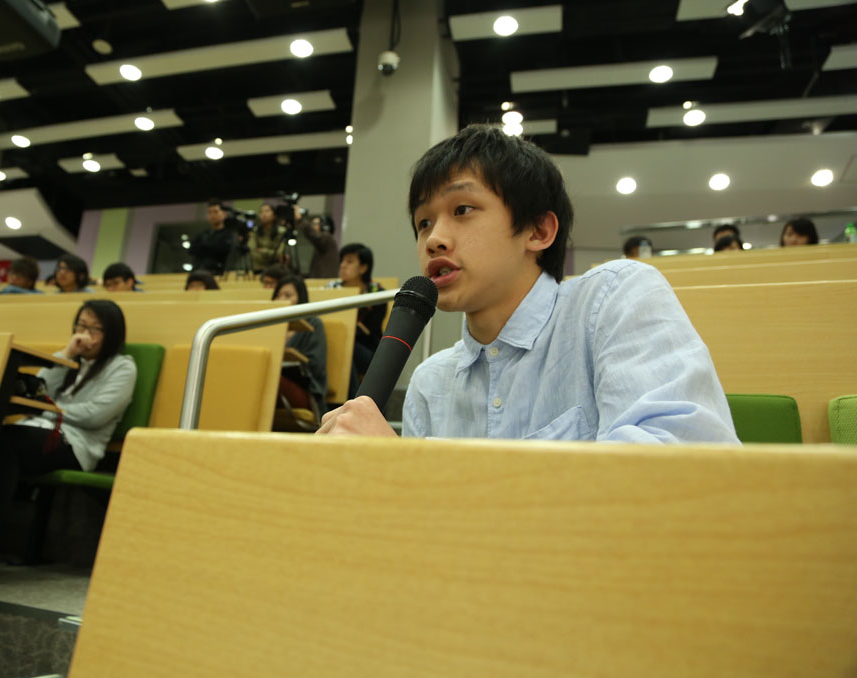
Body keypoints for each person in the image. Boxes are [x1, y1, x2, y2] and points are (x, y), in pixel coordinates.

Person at [318, 124, 738, 444]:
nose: (433, 239)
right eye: (423, 222)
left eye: (462, 209)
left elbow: (679, 471)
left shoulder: (614, 300)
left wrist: (411, 472)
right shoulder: (430, 383)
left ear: (538, 231)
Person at [0, 300, 136, 581]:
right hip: (38, 431)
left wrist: (49, 409)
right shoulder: (72, 360)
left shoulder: (122, 367)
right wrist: (67, 354)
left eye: (95, 329)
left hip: (77, 445)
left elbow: (95, 415)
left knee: (8, 445)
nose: (86, 335)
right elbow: (38, 391)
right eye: (81, 326)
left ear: (112, 334)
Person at [328, 243, 387, 397]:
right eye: (342, 261)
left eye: (349, 261)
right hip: (337, 343)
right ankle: (353, 402)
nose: (343, 265)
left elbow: (372, 330)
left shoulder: (377, 293)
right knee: (341, 348)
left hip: (367, 350)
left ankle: (349, 401)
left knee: (348, 349)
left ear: (363, 268)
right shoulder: (331, 289)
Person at [273, 276, 328, 417]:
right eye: (278, 295)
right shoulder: (269, 325)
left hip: (304, 389)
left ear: (300, 299)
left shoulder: (313, 324)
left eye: (288, 295)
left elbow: (316, 366)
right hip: (274, 383)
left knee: (271, 380)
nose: (281, 299)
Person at [189, 199, 236, 274]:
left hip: (219, 273)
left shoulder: (229, 234)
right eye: (209, 212)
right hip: (198, 272)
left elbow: (224, 250)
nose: (212, 215)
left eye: (216, 212)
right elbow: (191, 250)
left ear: (224, 214)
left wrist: (205, 247)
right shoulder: (201, 235)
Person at [247, 203, 287, 273]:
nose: (264, 214)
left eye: (267, 211)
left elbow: (279, 253)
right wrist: (270, 254)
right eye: (261, 212)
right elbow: (253, 251)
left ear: (274, 215)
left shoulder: (282, 231)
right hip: (259, 267)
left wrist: (263, 251)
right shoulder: (254, 232)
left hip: (277, 267)